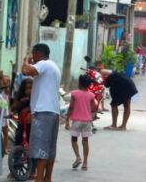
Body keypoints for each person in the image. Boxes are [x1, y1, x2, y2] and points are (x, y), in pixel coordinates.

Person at [21, 43, 61, 182]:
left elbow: (25, 71)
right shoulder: (53, 66)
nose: (32, 57)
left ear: (37, 53)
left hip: (44, 112)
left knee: (40, 149)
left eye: (33, 54)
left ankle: (39, 179)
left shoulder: (44, 64)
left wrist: (25, 59)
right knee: (49, 148)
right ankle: (47, 178)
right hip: (52, 111)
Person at [65, 74, 97, 170]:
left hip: (77, 121)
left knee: (74, 140)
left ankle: (78, 157)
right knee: (85, 141)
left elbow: (71, 107)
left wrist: (67, 120)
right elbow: (94, 108)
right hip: (87, 121)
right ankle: (85, 163)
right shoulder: (91, 95)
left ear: (79, 83)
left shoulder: (74, 93)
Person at [8, 77, 36, 180]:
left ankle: (32, 170)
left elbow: (38, 107)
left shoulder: (36, 96)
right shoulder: (19, 96)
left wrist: (29, 107)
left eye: (31, 88)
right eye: (27, 88)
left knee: (32, 145)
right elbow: (13, 107)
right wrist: (21, 101)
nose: (29, 90)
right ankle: (15, 168)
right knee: (18, 141)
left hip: (32, 123)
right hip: (21, 122)